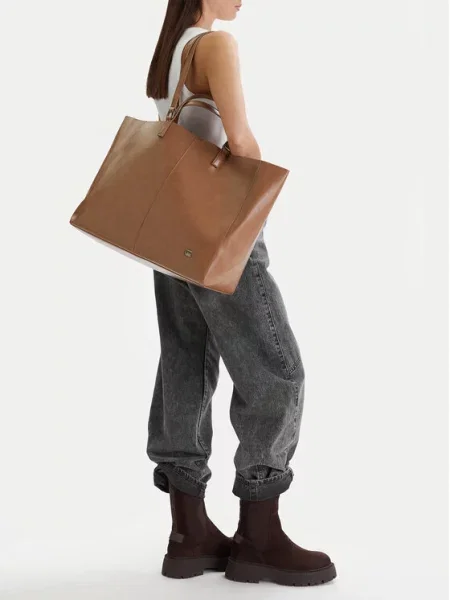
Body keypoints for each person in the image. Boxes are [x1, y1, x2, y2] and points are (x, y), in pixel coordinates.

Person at [145, 0, 337, 587]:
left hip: (170, 231)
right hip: (216, 231)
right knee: (277, 370)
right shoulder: (215, 45)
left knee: (186, 364)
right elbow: (243, 143)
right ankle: (259, 536)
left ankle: (189, 535)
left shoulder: (172, 49)